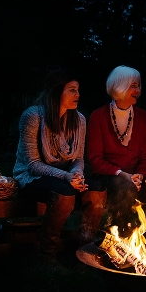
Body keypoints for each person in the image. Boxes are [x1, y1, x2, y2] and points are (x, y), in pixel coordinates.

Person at [13, 69, 106, 263]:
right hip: (31, 177)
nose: (78, 94)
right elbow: (33, 164)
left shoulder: (79, 120)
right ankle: (47, 255)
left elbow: (78, 158)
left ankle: (85, 250)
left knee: (96, 188)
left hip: (66, 176)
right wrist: (66, 177)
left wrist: (77, 173)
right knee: (64, 192)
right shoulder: (33, 117)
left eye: (78, 90)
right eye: (72, 90)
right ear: (56, 92)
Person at [86, 65, 146, 238]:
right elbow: (95, 158)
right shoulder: (98, 116)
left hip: (136, 176)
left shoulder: (143, 116)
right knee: (124, 186)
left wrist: (140, 174)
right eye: (133, 86)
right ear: (120, 86)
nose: (138, 90)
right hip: (108, 175)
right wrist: (122, 174)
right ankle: (121, 235)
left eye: (139, 85)